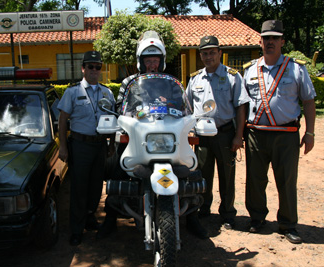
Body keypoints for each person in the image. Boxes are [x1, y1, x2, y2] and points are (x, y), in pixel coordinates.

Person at [97, 31, 207, 240]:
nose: (152, 64)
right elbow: (121, 108)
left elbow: (185, 109)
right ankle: (110, 219)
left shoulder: (171, 82)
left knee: (193, 171)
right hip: (140, 136)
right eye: (148, 60)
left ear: (162, 61)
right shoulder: (129, 82)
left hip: (166, 136)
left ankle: (193, 219)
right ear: (141, 61)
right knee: (118, 168)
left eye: (155, 60)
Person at [242, 20, 316, 244]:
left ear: (282, 41)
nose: (270, 42)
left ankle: (288, 223)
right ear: (260, 41)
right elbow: (242, 104)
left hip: (286, 134)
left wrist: (310, 133)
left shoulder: (296, 68)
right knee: (255, 180)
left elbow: (309, 101)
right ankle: (257, 218)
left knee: (286, 181)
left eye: (275, 38)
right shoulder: (250, 70)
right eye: (266, 38)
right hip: (256, 133)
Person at [185, 36, 249, 234]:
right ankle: (203, 208)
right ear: (201, 55)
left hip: (224, 134)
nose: (208, 56)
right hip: (202, 136)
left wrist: (239, 136)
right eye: (204, 53)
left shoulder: (232, 76)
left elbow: (240, 107)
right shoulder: (195, 79)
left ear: (220, 53)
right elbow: (186, 107)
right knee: (202, 176)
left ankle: (228, 213)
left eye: (212, 52)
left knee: (226, 176)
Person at [57, 51, 116, 246]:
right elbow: (63, 120)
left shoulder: (107, 92)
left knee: (96, 186)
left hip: (99, 145)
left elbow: (113, 120)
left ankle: (90, 218)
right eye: (90, 66)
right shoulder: (72, 92)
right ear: (83, 68)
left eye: (98, 67)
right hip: (80, 145)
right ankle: (76, 229)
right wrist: (63, 148)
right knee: (79, 188)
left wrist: (111, 144)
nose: (94, 70)